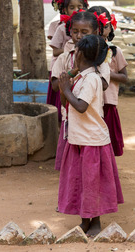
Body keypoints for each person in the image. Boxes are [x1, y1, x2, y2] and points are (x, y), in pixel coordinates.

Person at [57, 34, 123, 237]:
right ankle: (85, 219)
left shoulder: (93, 79)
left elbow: (81, 106)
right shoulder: (82, 77)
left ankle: (95, 222)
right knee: (82, 181)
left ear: (80, 54)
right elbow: (66, 102)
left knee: (93, 183)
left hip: (92, 141)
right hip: (79, 139)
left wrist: (66, 89)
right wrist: (66, 85)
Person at [51, 11, 110, 171]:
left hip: (90, 121)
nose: (79, 36)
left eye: (84, 32)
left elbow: (103, 85)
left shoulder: (100, 61)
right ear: (69, 31)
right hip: (70, 118)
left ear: (96, 33)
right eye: (75, 31)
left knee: (89, 166)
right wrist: (72, 74)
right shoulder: (64, 57)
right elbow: (56, 86)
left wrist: (83, 71)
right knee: (72, 165)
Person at [89, 6, 129, 156]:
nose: (100, 31)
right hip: (89, 102)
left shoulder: (114, 51)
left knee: (108, 140)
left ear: (111, 27)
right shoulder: (84, 51)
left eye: (104, 26)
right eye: (96, 27)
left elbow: (124, 77)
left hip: (108, 102)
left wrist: (106, 73)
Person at [48, 0, 89, 123]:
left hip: (79, 66)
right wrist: (70, 50)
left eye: (79, 7)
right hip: (62, 68)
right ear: (65, 9)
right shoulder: (61, 28)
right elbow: (55, 52)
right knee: (61, 102)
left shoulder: (87, 26)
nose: (76, 10)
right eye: (72, 7)